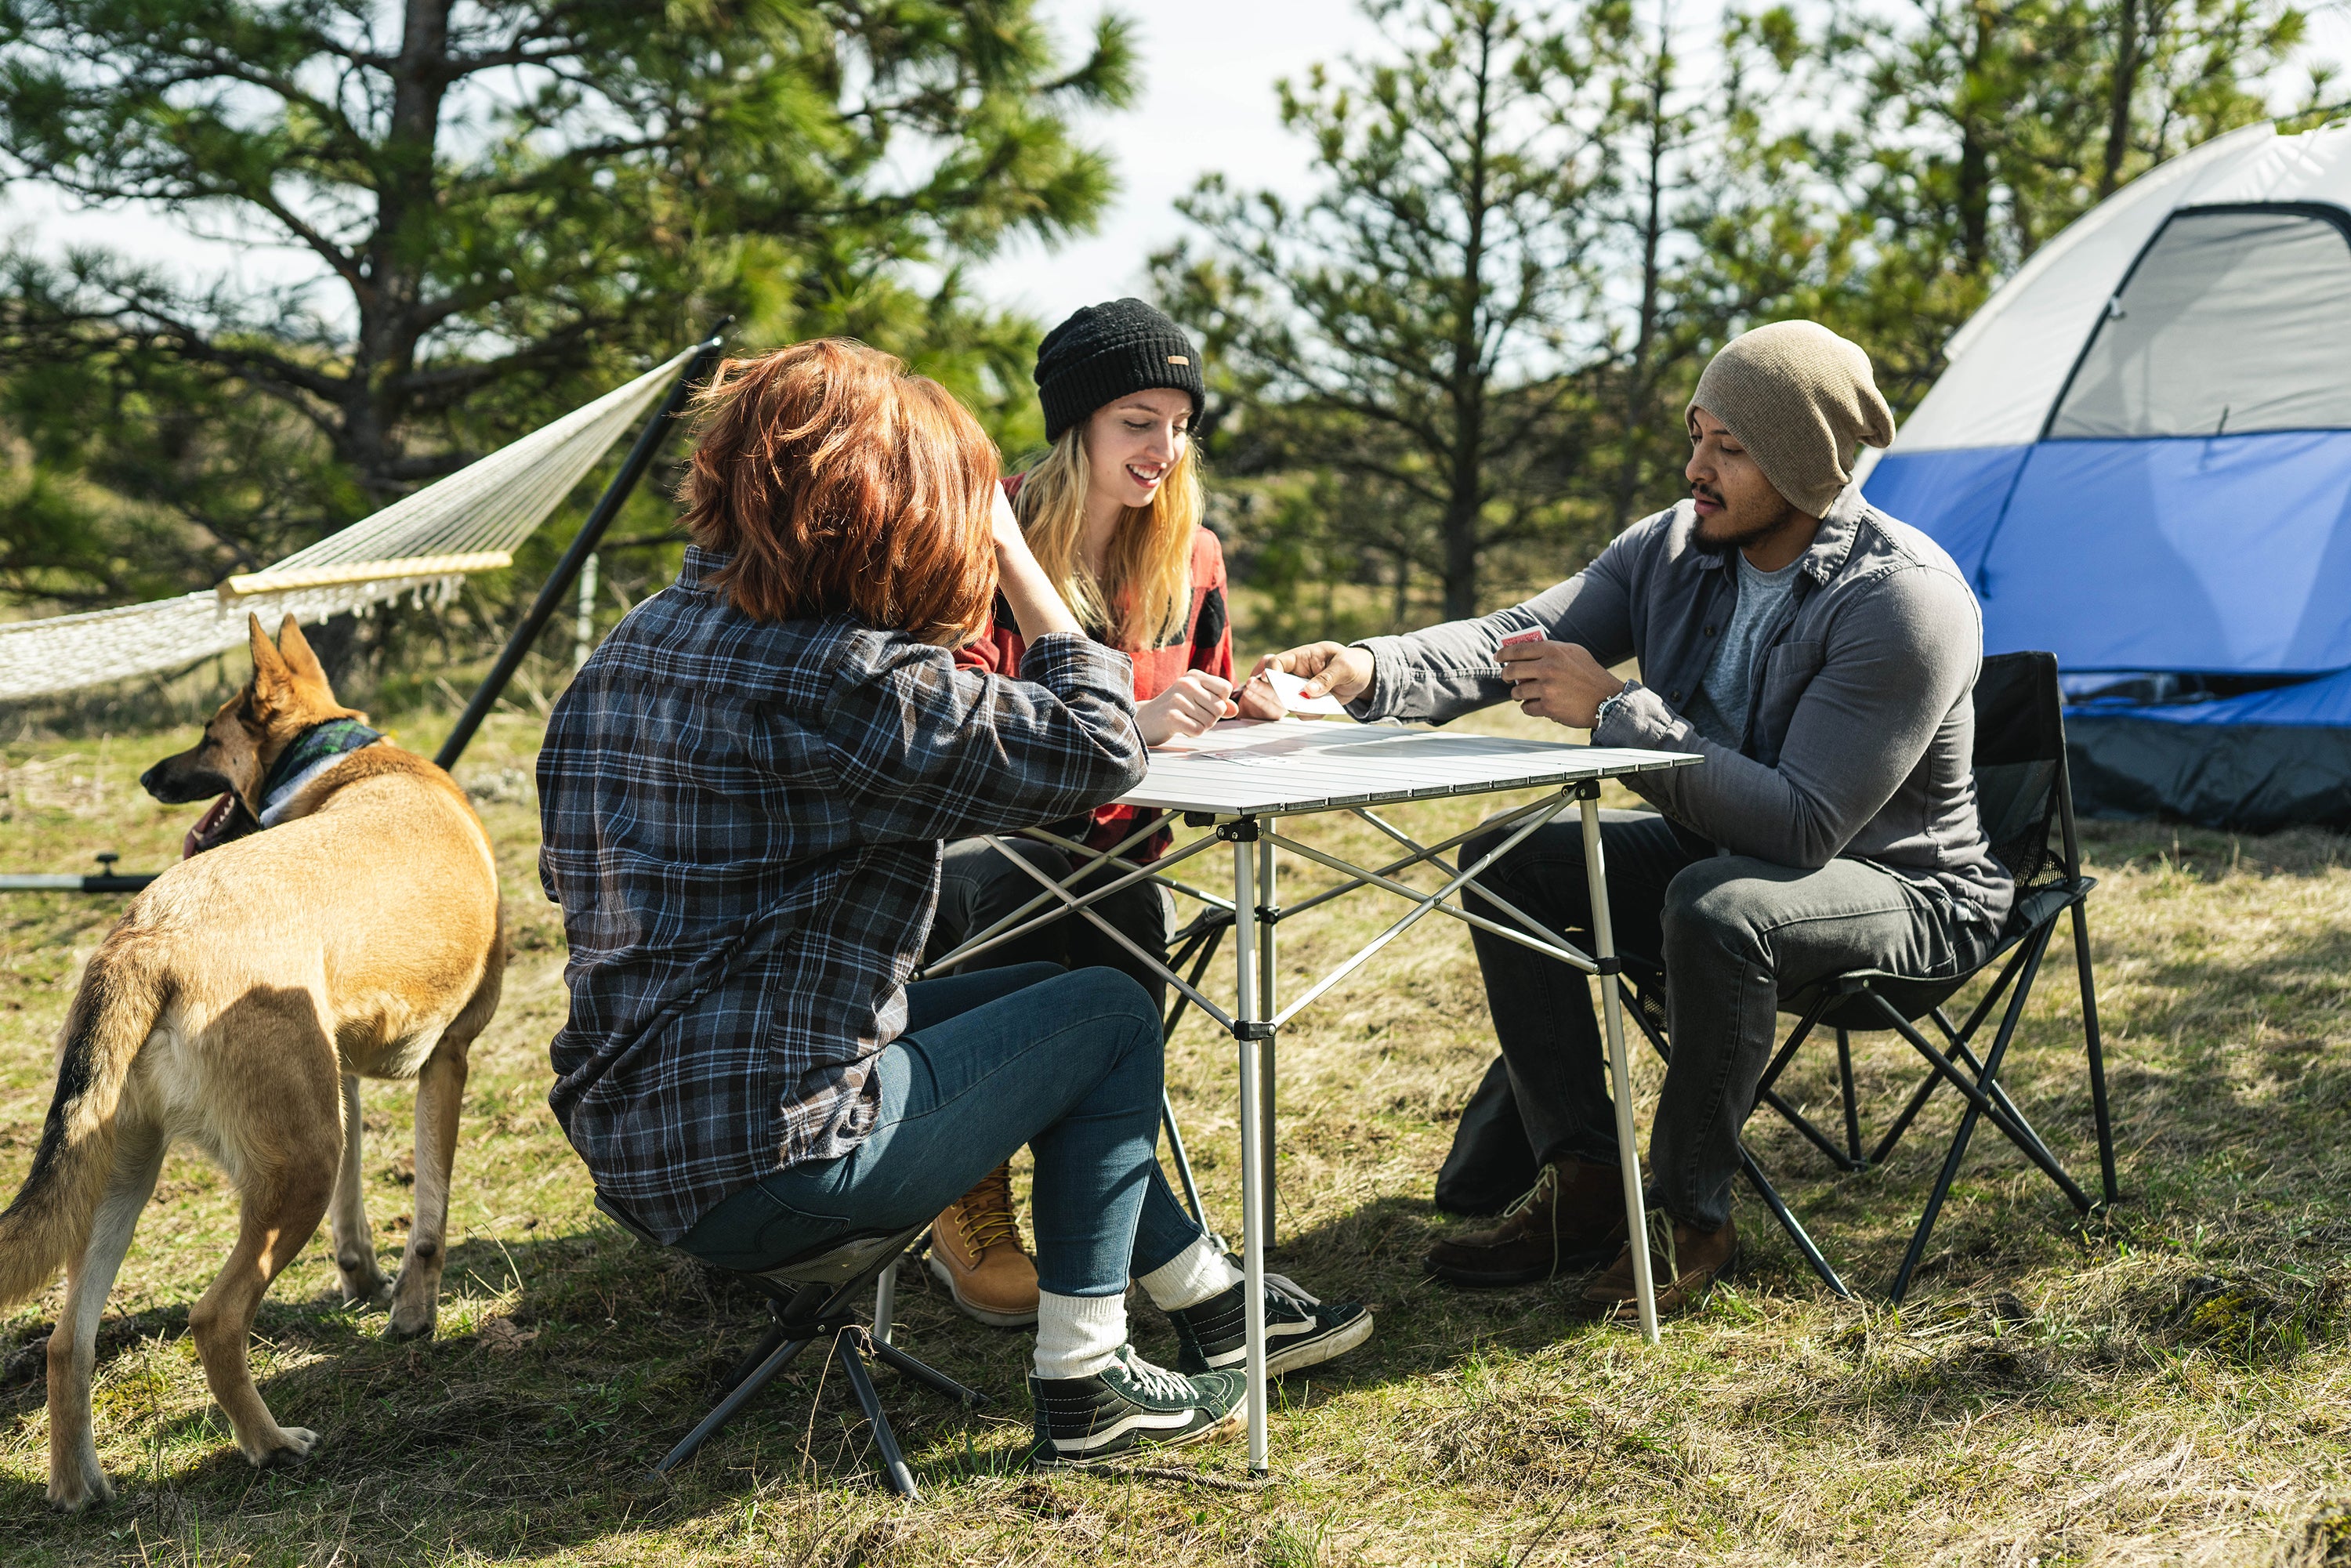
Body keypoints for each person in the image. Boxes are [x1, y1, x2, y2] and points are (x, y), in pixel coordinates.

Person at [535, 339, 1360, 1466]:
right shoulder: (847, 676)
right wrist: (1022, 560)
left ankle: (1209, 1296)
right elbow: (1095, 745)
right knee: (1115, 1014)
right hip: (775, 1159)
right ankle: (1086, 1380)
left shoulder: (631, 646)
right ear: (875, 510)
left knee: (1053, 996)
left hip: (631, 1127)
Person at [1254, 320, 2010, 1319]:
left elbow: (1800, 826)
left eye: (1730, 449)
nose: (1697, 468)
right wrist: (1369, 669)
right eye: (1697, 435)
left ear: (1807, 463)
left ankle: (1690, 1217)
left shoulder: (1902, 601)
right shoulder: (1672, 546)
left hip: (1909, 892)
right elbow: (1510, 640)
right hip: (1724, 849)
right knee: (1506, 857)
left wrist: (1618, 711)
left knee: (1716, 905)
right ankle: (1584, 1180)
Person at [917, 299, 1319, 1342]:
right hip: (987, 852)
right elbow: (954, 727)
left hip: (1120, 850)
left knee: (1121, 914)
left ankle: (1114, 1230)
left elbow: (1206, 702)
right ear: (1078, 425)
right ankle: (970, 1190)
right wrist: (1121, 723)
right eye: (1139, 421)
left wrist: (1243, 703)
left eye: (1180, 424)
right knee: (1048, 900)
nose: (1165, 449)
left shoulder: (1192, 558)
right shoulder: (980, 537)